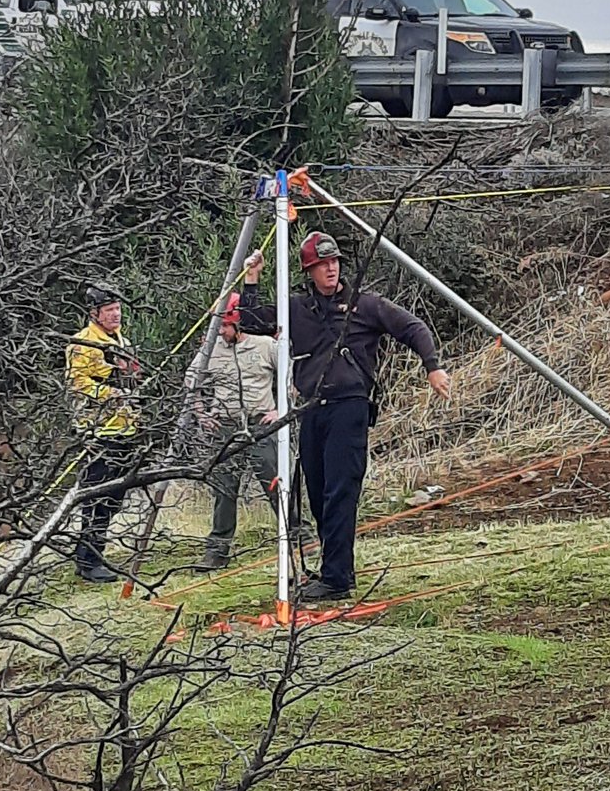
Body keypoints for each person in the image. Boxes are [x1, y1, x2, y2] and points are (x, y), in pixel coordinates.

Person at [241, 231, 450, 603]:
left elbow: (413, 328)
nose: (331, 269)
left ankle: (337, 579)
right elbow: (252, 320)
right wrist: (252, 279)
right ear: (310, 271)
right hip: (311, 410)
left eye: (335, 262)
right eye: (323, 264)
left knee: (340, 493)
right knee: (319, 495)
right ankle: (333, 572)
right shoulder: (297, 309)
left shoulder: (365, 305)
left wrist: (431, 367)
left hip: (349, 407)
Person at [186, 291, 302, 572]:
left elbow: (293, 374)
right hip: (225, 428)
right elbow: (191, 383)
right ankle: (217, 551)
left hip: (260, 424)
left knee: (276, 482)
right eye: (218, 326)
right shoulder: (210, 351)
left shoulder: (265, 346)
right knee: (224, 489)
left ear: (238, 322)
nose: (221, 332)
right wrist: (202, 414)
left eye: (225, 325)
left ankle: (299, 535)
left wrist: (282, 409)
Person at [65, 282, 141, 583]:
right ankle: (88, 560)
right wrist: (108, 393)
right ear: (95, 313)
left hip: (125, 426)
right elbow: (77, 381)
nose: (115, 315)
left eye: (118, 310)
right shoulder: (83, 343)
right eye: (109, 311)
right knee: (95, 496)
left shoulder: (121, 339)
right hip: (98, 430)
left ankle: (94, 553)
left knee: (115, 495)